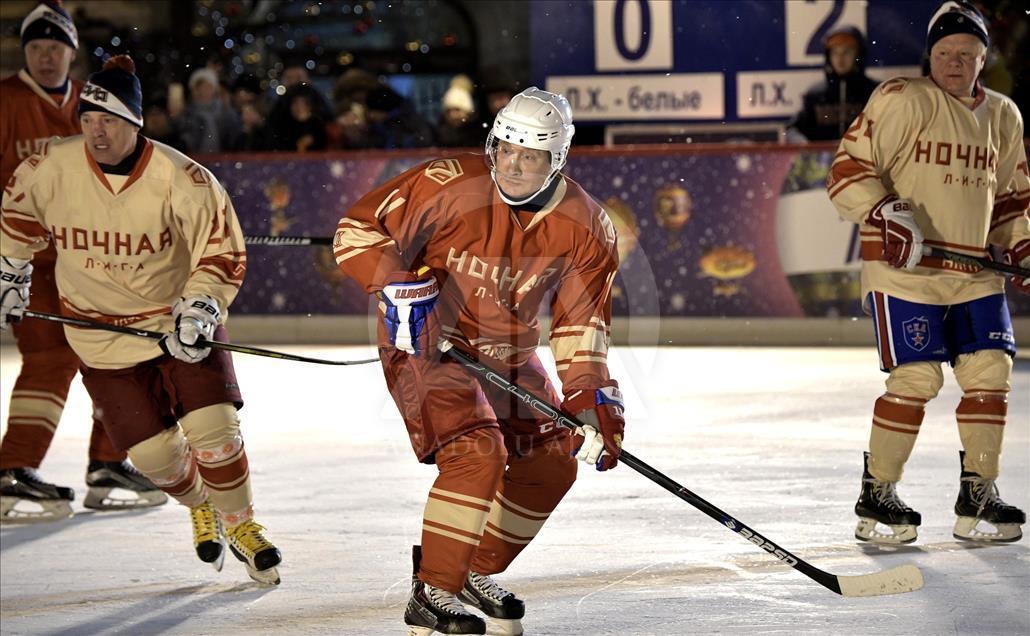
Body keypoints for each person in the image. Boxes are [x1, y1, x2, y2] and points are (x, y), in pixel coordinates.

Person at [334, 87, 624, 634]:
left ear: (556, 159)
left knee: (553, 463)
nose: (512, 165)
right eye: (505, 149)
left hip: (510, 353)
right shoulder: (446, 183)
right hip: (429, 342)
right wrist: (393, 280)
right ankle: (433, 591)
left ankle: (472, 569)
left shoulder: (588, 226)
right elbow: (357, 230)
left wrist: (590, 396)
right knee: (476, 452)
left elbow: (581, 322)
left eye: (530, 155)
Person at [0, 55, 282, 584]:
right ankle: (202, 504)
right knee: (159, 463)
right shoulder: (51, 167)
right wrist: (8, 271)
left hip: (178, 326)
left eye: (108, 120)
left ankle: (243, 526)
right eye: (86, 120)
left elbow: (221, 251)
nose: (96, 132)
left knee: (214, 431)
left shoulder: (181, 178)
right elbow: (17, 217)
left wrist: (201, 305)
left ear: (135, 121)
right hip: (98, 334)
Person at [827, 1, 1028, 545]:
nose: (954, 62)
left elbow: (1011, 200)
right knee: (918, 378)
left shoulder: (1004, 115)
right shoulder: (903, 99)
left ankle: (979, 491)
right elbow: (847, 171)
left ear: (983, 59)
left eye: (966, 53)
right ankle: (878, 491)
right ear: (930, 55)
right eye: (944, 52)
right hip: (905, 274)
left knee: (990, 372)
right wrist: (885, 210)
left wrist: (1022, 246)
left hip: (975, 274)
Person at [0, 0, 165, 523]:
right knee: (50, 360)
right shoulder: (4, 100)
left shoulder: (93, 101)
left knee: (115, 355)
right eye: (36, 47)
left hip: (93, 258)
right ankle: (13, 468)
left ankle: (109, 462)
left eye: (56, 48)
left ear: (72, 53)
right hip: (29, 262)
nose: (46, 57)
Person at [787, 26, 880, 142]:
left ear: (858, 55)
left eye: (846, 52)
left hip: (865, 159)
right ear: (828, 56)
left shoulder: (875, 93)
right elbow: (792, 129)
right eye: (835, 52)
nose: (840, 58)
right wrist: (803, 145)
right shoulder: (815, 95)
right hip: (823, 160)